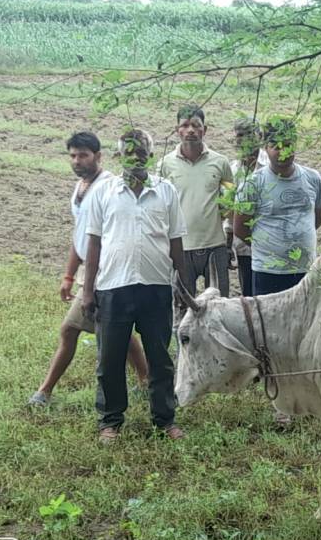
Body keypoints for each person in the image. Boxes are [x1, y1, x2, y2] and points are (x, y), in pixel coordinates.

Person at [81, 130, 187, 442]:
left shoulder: (165, 191)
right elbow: (94, 243)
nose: (135, 157)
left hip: (156, 286)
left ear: (149, 155)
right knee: (110, 359)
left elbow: (176, 241)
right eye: (129, 152)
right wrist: (88, 290)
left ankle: (165, 420)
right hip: (114, 286)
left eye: (141, 152)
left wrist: (183, 282)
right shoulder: (105, 192)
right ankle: (110, 421)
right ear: (119, 156)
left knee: (160, 359)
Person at [27, 132, 148, 408]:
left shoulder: (107, 187)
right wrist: (69, 275)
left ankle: (44, 391)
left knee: (71, 329)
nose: (77, 161)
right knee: (115, 330)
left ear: (99, 156)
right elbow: (79, 235)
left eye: (83, 155)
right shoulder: (80, 187)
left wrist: (90, 284)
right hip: (88, 273)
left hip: (106, 272)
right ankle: (145, 379)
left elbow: (103, 238)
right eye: (72, 155)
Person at [233, 118, 321, 296]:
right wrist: (269, 247)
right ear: (265, 146)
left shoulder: (313, 178)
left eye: (287, 144)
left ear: (295, 144)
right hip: (267, 271)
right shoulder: (253, 184)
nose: (282, 151)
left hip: (305, 269)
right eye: (275, 145)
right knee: (267, 322)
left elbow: (316, 218)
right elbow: (241, 230)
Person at [155, 105, 234, 309]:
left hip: (214, 245)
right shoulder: (165, 165)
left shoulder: (221, 163)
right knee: (183, 304)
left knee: (219, 305)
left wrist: (226, 218)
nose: (190, 130)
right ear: (177, 130)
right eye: (185, 125)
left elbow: (231, 198)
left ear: (204, 130)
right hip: (181, 247)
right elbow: (160, 205)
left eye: (196, 125)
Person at [225, 117, 269, 297]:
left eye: (249, 134)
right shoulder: (232, 170)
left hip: (271, 244)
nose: (243, 140)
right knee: (250, 297)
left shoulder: (271, 166)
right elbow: (228, 211)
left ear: (259, 137)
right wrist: (228, 246)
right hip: (244, 246)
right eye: (240, 136)